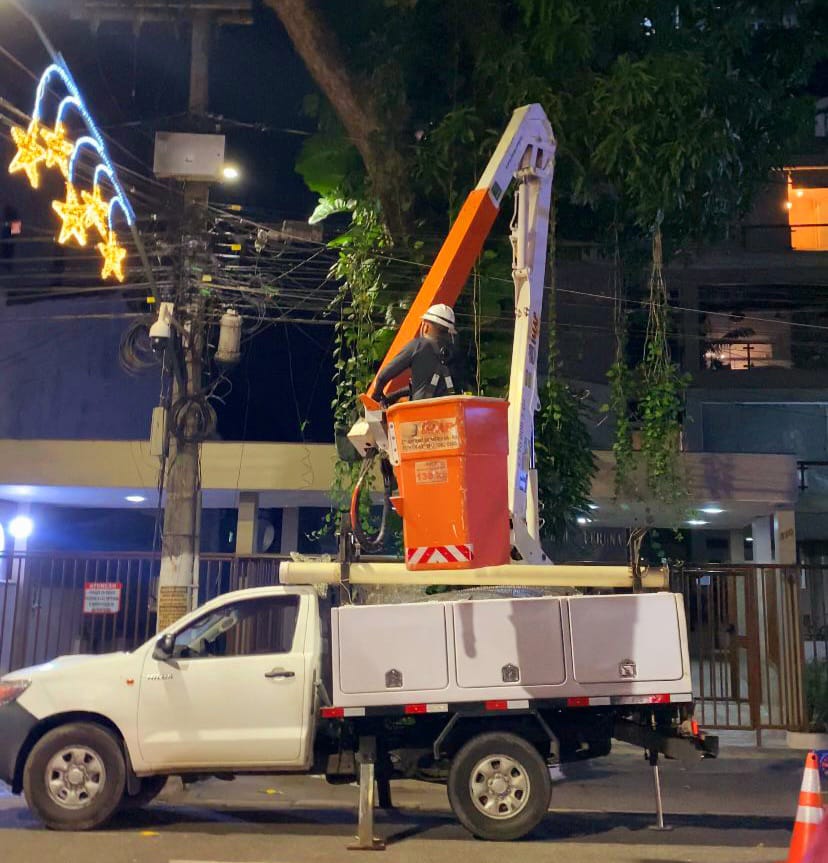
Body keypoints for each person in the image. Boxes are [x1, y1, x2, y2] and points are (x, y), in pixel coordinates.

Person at [370, 303, 463, 404]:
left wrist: (376, 396)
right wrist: (395, 395)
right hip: (451, 407)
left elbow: (383, 376)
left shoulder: (417, 345)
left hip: (422, 410)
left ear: (426, 326)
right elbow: (426, 384)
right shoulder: (456, 352)